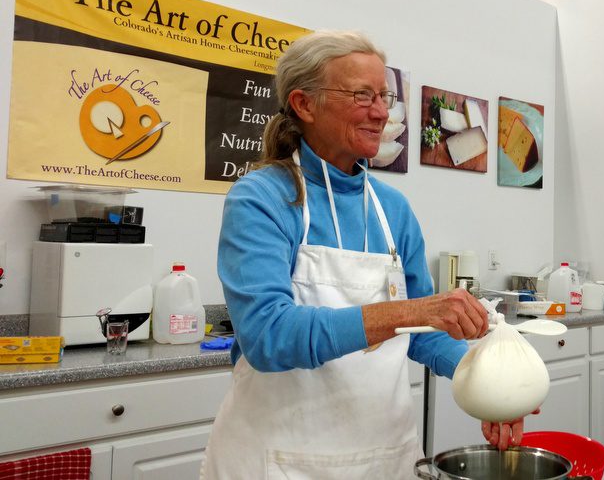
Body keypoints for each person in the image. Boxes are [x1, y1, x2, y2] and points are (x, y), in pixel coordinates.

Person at [201, 30, 525, 480]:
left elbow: (422, 335)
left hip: (384, 456)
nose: (381, 112)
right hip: (279, 459)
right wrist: (409, 310)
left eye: (384, 97)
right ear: (304, 104)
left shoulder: (393, 209)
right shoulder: (262, 198)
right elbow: (268, 336)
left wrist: (489, 387)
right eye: (362, 95)